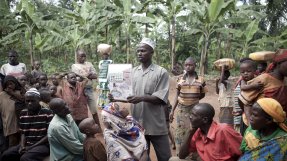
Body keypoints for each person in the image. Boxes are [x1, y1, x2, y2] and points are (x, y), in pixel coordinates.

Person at [110, 38, 171, 161]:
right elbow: (128, 95)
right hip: (138, 125)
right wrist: (116, 96)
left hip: (156, 125)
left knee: (165, 157)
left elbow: (161, 99)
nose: (139, 53)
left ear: (151, 52)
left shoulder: (161, 72)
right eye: (138, 51)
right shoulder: (132, 72)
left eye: (143, 51)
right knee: (141, 157)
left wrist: (141, 98)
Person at [169, 103, 242, 161]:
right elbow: (182, 155)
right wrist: (190, 132)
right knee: (173, 159)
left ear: (205, 120)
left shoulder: (223, 130)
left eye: (194, 115)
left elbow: (243, 151)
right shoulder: (197, 132)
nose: (190, 117)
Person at [1, 88, 53, 161]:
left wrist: (31, 147)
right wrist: (22, 146)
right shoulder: (23, 113)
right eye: (27, 101)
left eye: (32, 101)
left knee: (25, 158)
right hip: (28, 143)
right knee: (6, 154)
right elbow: (23, 133)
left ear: (39, 100)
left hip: (43, 145)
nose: (29, 103)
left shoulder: (47, 113)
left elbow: (49, 135)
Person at [169, 57, 207, 155]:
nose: (188, 67)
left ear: (195, 66)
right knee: (180, 131)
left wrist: (194, 100)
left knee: (194, 130)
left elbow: (202, 94)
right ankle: (180, 153)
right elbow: (177, 95)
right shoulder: (180, 79)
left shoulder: (201, 80)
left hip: (195, 110)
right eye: (186, 65)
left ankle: (193, 153)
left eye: (190, 65)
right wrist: (172, 111)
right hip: (181, 109)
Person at [239, 49, 287, 124]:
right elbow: (243, 101)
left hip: (278, 126)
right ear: (279, 63)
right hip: (259, 128)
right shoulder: (263, 79)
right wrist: (250, 124)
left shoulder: (285, 81)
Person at [71, 49, 101, 130]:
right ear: (77, 57)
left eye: (84, 56)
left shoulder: (89, 64)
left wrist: (84, 76)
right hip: (80, 90)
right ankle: (84, 130)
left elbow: (95, 75)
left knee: (94, 110)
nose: (83, 58)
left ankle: (98, 129)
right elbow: (77, 78)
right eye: (81, 56)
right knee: (82, 111)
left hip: (89, 89)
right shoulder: (74, 66)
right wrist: (88, 75)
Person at [0, 75, 24, 152]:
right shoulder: (2, 95)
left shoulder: (20, 92)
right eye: (7, 84)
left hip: (21, 123)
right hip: (9, 123)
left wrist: (12, 93)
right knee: (12, 145)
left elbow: (24, 100)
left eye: (11, 83)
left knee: (22, 143)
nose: (10, 86)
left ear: (15, 83)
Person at [97, 43, 113, 108]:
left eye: (106, 55)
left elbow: (112, 70)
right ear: (102, 56)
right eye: (104, 55)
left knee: (107, 91)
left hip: (108, 79)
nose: (105, 56)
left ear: (108, 55)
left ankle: (108, 104)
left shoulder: (111, 61)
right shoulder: (100, 62)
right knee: (102, 91)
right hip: (101, 79)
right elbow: (100, 70)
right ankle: (102, 104)